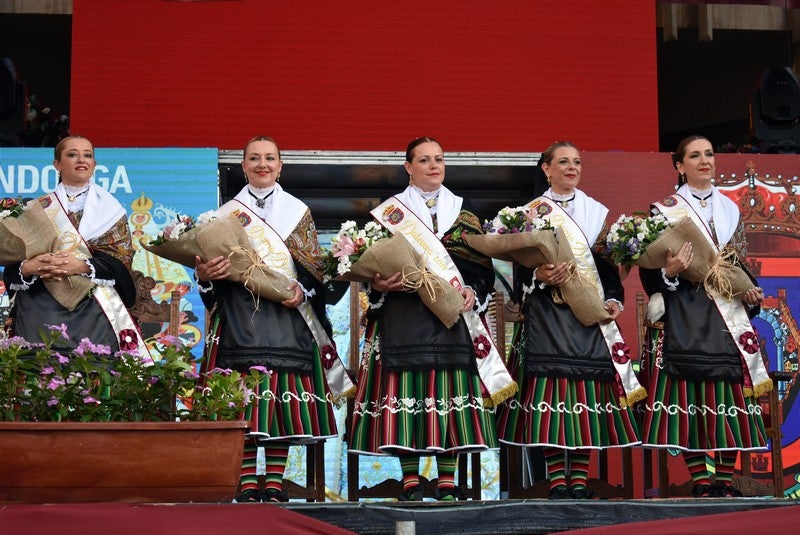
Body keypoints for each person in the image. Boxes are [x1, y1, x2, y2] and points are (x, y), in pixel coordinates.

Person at [348, 136, 504, 501]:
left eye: (439, 159)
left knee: (448, 393)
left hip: (451, 317)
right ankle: (410, 482)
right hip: (401, 315)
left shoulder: (465, 214)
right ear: (408, 167)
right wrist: (378, 281)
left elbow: (482, 270)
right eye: (424, 160)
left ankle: (448, 483)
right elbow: (368, 270)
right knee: (407, 396)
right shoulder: (386, 214)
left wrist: (472, 291)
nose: (434, 166)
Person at [195, 136, 348, 503]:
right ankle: (247, 482)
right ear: (243, 166)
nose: (262, 164)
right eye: (254, 159)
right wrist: (203, 276)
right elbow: (210, 281)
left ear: (280, 166)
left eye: (269, 159)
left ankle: (275, 482)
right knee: (243, 403)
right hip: (236, 317)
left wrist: (304, 290)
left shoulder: (298, 212)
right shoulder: (222, 214)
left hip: (286, 317)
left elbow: (314, 271)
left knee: (278, 405)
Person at [496, 140, 643, 500]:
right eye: (563, 162)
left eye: (576, 162)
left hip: (588, 317)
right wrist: (538, 277)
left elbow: (607, 267)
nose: (571, 168)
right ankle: (557, 480)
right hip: (547, 317)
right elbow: (518, 269)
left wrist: (611, 298)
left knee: (585, 400)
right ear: (546, 168)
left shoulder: (595, 211)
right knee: (553, 399)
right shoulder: (530, 213)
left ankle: (578, 480)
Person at [638, 135, 769, 498]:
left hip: (724, 315)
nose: (704, 161)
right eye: (694, 156)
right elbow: (651, 275)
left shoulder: (729, 209)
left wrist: (750, 290)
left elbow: (737, 265)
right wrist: (672, 269)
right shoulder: (663, 210)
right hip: (683, 311)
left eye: (709, 153)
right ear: (679, 166)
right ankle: (700, 481)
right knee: (690, 399)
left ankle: (724, 481)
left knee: (728, 396)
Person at [3, 135, 147, 357]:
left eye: (87, 155)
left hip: (93, 309)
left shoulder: (111, 211)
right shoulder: (36, 208)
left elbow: (121, 263)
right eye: (72, 154)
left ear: (94, 165)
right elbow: (12, 269)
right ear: (57, 165)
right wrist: (31, 267)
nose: (82, 160)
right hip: (39, 308)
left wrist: (81, 266)